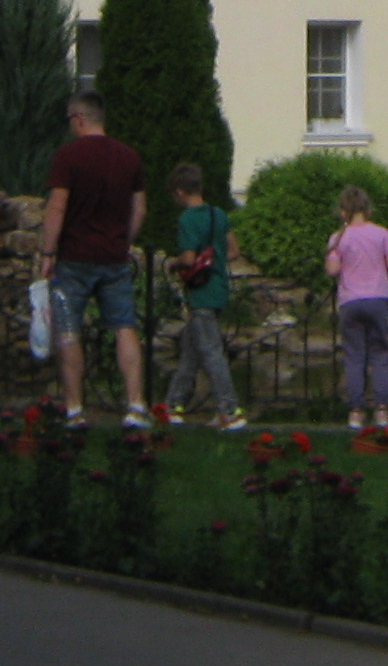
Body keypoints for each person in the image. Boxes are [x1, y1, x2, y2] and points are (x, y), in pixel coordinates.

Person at [40, 90, 147, 430]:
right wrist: (122, 241)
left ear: (79, 119)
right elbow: (140, 209)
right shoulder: (130, 157)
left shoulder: (68, 157)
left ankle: (74, 409)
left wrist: (47, 252)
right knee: (124, 327)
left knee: (69, 330)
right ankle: (135, 405)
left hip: (74, 257)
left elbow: (57, 205)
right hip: (113, 258)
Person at [159, 163, 243, 431]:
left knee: (210, 351)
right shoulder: (218, 214)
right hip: (218, 286)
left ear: (180, 192)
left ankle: (230, 411)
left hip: (199, 292)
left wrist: (174, 264)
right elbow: (234, 251)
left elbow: (188, 257)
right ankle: (173, 405)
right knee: (191, 352)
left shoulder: (187, 219)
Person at [324, 182, 388, 432]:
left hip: (350, 300)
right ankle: (382, 411)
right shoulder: (381, 233)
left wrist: (335, 253)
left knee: (354, 356)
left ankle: (356, 412)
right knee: (378, 354)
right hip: (378, 298)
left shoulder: (338, 238)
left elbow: (332, 270)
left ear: (343, 211)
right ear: (367, 209)